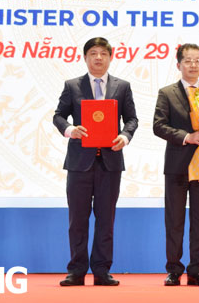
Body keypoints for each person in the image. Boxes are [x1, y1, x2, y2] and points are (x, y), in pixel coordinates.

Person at [53, 37, 138, 286]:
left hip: (110, 162)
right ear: (85, 57)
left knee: (106, 219)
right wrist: (70, 130)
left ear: (110, 57)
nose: (98, 57)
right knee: (77, 219)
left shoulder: (122, 86)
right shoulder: (73, 85)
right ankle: (76, 271)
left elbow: (132, 119)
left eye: (103, 53)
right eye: (93, 53)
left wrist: (125, 136)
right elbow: (58, 116)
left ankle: (102, 270)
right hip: (80, 162)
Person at [153, 43, 199, 286]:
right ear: (179, 65)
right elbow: (158, 126)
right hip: (177, 164)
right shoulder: (167, 93)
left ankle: (196, 270)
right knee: (174, 219)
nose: (193, 65)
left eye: (197, 60)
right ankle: (174, 270)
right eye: (188, 61)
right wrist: (186, 137)